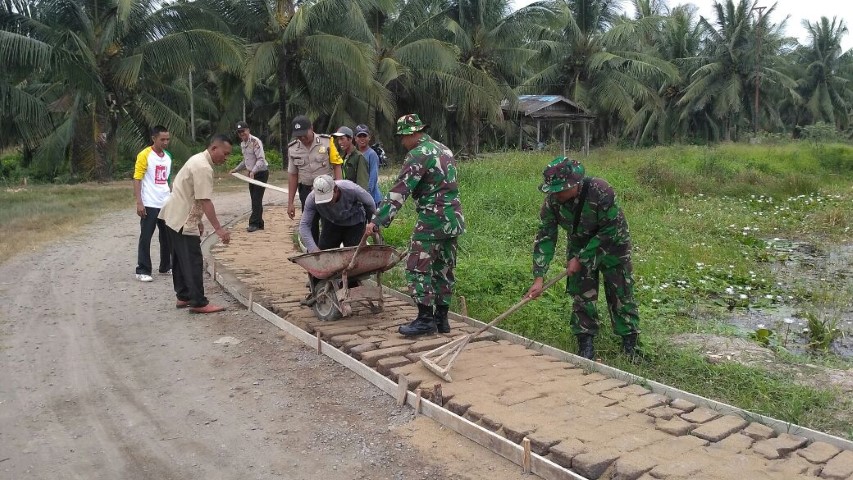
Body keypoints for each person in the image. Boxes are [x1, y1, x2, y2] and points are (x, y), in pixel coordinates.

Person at [524, 157, 640, 360]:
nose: (556, 194)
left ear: (575, 184)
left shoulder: (601, 191)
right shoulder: (553, 201)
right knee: (582, 295)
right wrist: (539, 277)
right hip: (579, 242)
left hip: (613, 245)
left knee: (620, 293)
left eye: (560, 189)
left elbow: (610, 229)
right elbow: (545, 236)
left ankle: (630, 345)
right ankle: (585, 344)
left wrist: (582, 257)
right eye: (553, 190)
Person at [365, 114, 465, 336]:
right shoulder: (443, 149)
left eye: (403, 137)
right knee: (444, 269)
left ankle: (425, 320)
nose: (402, 142)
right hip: (454, 219)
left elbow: (401, 190)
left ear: (412, 133)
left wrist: (377, 221)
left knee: (416, 267)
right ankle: (442, 320)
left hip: (433, 219)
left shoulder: (418, 154)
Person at [159, 134, 233, 314]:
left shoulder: (196, 159)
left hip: (172, 215)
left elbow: (192, 194)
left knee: (179, 258)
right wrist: (219, 229)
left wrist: (199, 220)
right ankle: (198, 302)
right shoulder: (203, 167)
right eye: (225, 153)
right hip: (183, 218)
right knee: (192, 260)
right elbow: (205, 200)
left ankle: (183, 295)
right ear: (214, 148)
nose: (226, 157)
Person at [287, 115, 343, 245]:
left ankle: (328, 251)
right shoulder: (293, 148)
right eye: (298, 135)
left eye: (304, 134)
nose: (301, 138)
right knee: (310, 224)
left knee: (329, 223)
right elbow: (293, 175)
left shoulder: (327, 142)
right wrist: (290, 202)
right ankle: (314, 253)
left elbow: (337, 165)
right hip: (306, 191)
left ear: (311, 128)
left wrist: (340, 189)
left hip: (327, 191)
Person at [133, 125, 173, 282]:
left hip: (165, 202)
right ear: (154, 138)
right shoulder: (145, 155)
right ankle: (142, 269)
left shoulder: (168, 156)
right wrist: (139, 202)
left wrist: (172, 197)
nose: (165, 142)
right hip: (150, 202)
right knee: (146, 236)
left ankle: (165, 266)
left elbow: (168, 179)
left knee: (167, 236)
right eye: (162, 139)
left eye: (167, 139)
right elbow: (137, 178)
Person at [299, 175, 376, 253]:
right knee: (325, 254)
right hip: (332, 222)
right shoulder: (311, 198)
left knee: (354, 254)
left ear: (335, 189)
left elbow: (370, 204)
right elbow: (304, 225)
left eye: (328, 198)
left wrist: (372, 222)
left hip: (355, 222)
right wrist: (313, 249)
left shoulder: (351, 189)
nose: (326, 203)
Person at [230, 120, 269, 232]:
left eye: (243, 131)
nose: (242, 134)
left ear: (248, 130)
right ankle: (259, 222)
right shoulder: (243, 144)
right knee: (254, 199)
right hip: (251, 174)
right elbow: (246, 160)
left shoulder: (255, 142)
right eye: (239, 132)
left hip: (260, 173)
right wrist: (236, 169)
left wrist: (253, 171)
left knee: (256, 198)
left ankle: (253, 223)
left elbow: (261, 159)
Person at [332, 126, 370, 192]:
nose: (339, 142)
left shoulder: (359, 157)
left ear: (350, 139)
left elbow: (362, 184)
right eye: (338, 139)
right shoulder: (342, 157)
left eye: (342, 139)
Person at [354, 124, 383, 206]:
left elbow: (373, 177)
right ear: (355, 138)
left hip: (372, 198)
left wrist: (366, 194)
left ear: (369, 138)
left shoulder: (372, 154)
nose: (362, 138)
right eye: (359, 136)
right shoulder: (355, 154)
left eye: (364, 136)